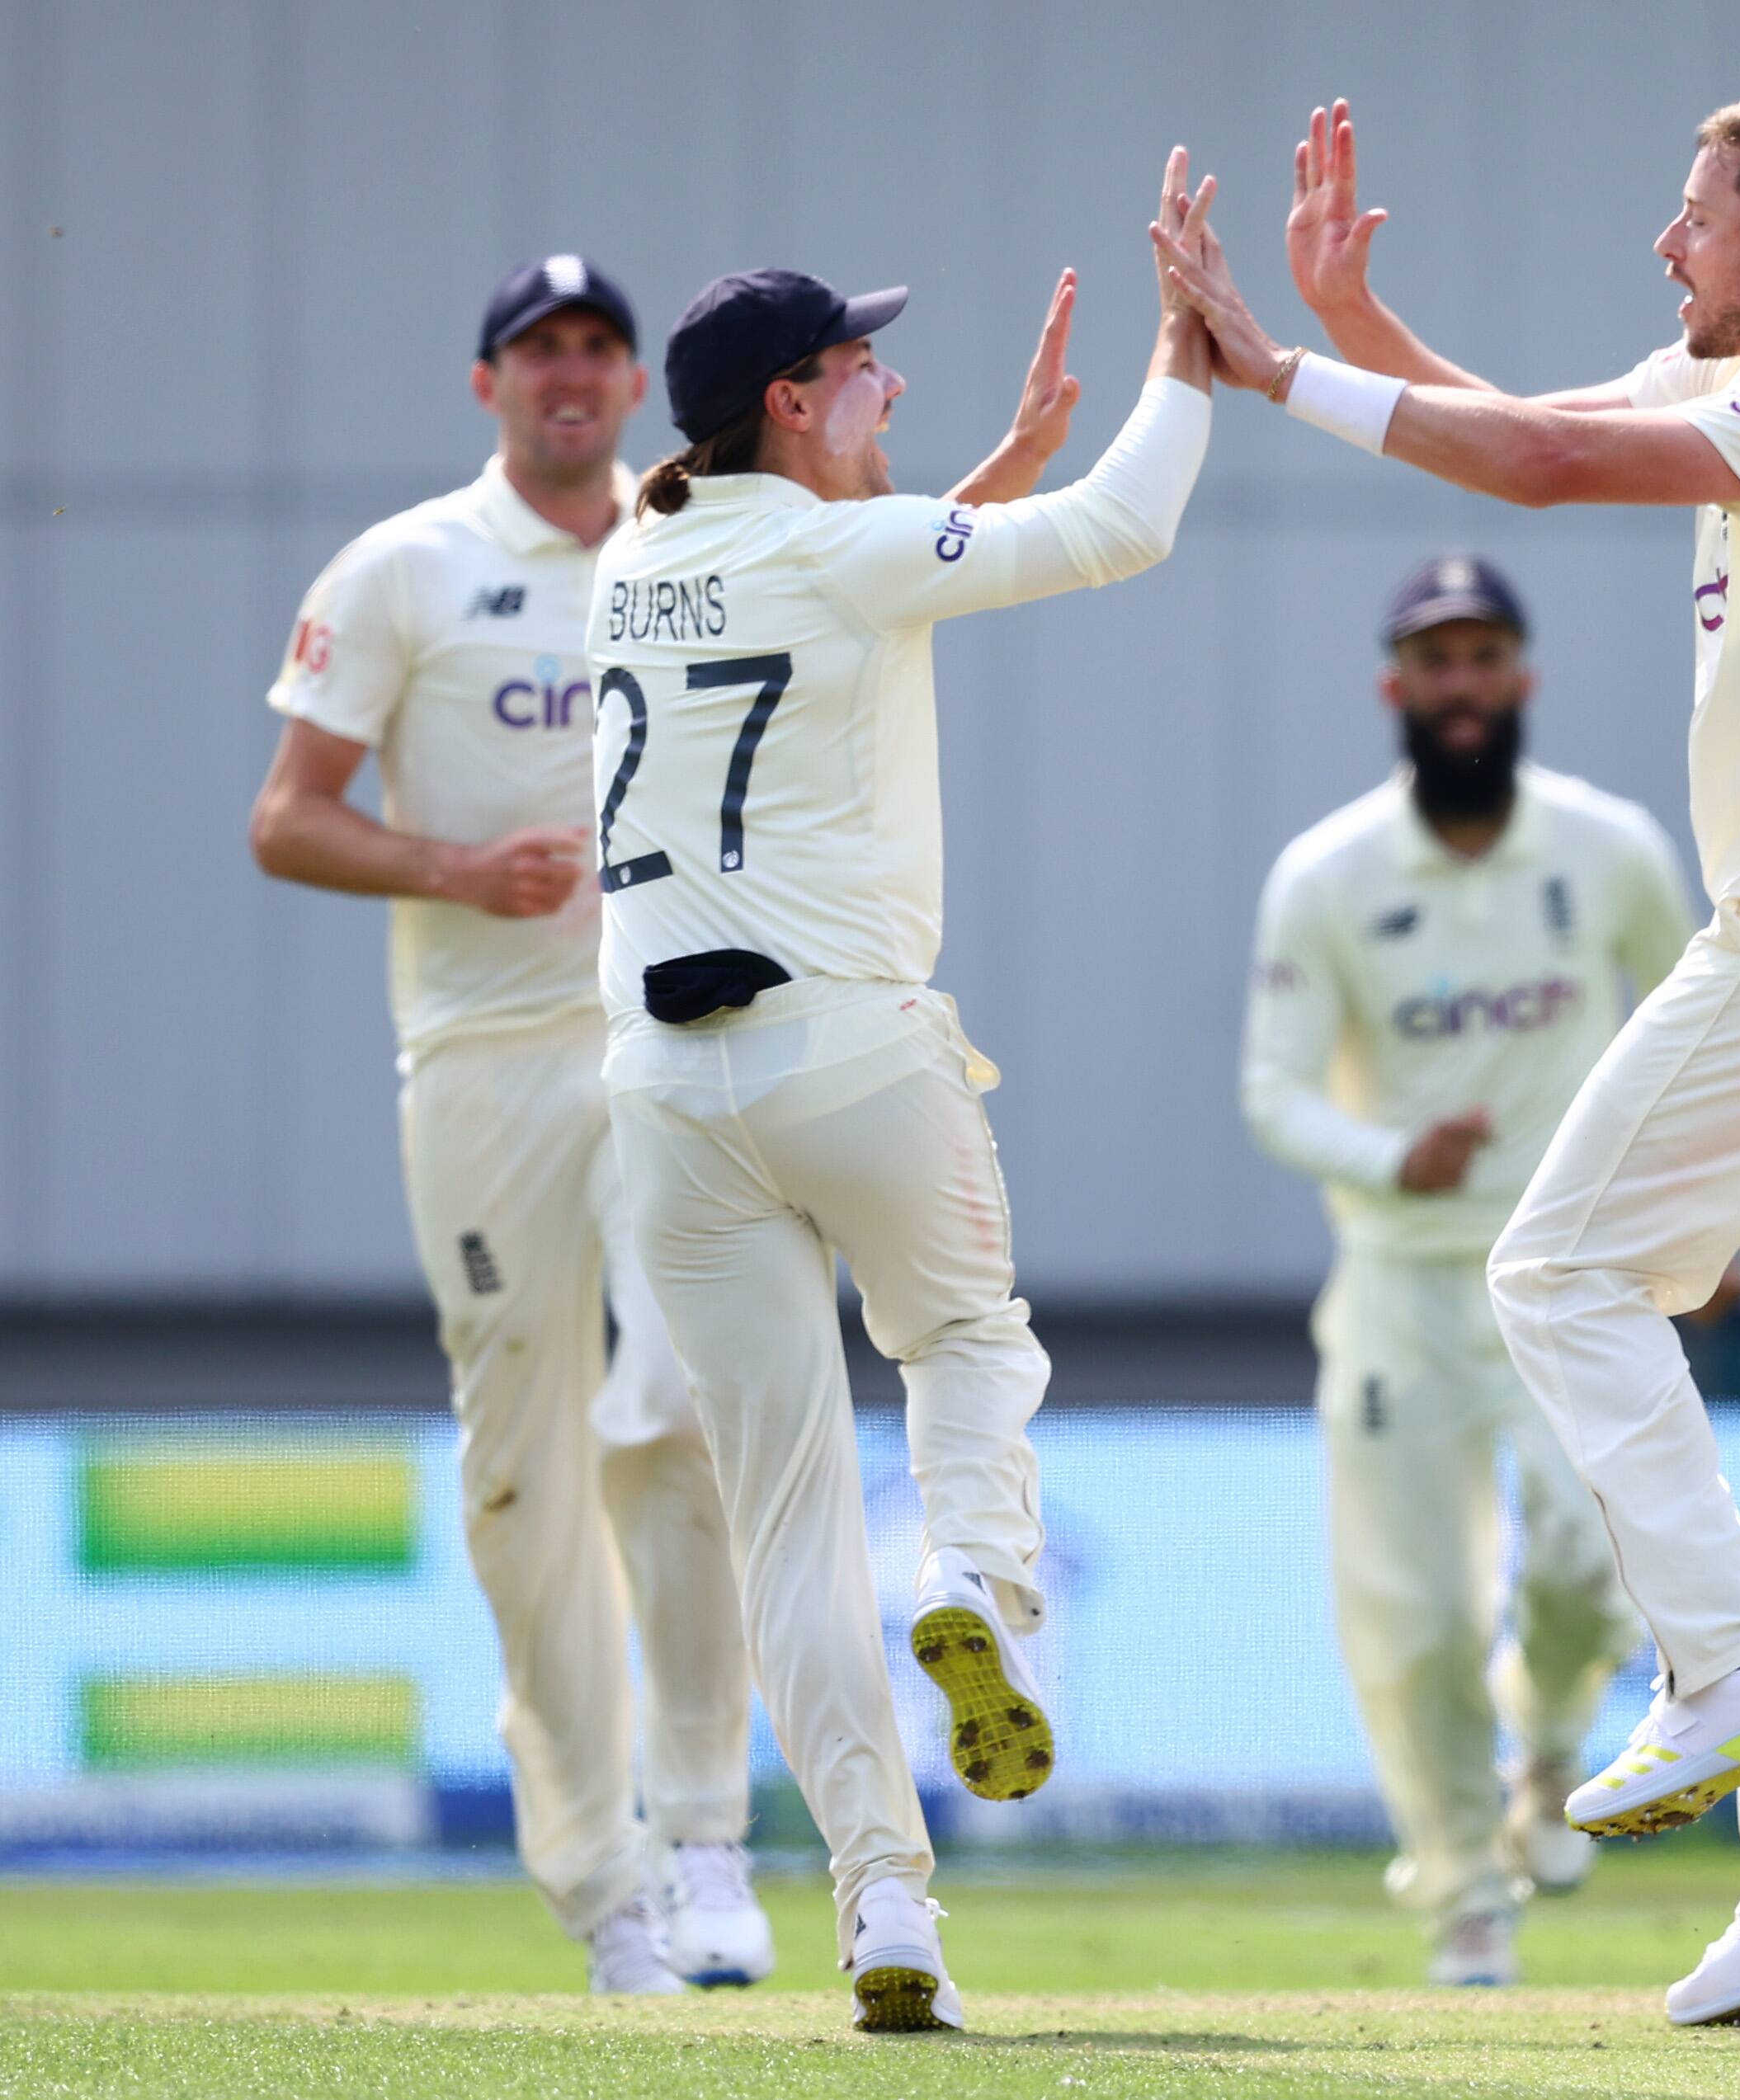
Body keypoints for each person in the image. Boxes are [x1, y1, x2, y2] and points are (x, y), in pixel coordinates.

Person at [1156, 97, 1740, 2027]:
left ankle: (1724, 1673)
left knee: (1550, 1268)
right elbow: (1525, 431)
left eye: (1697, 218)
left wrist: (1276, 366)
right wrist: (1353, 319)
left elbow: (1550, 470)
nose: (1669, 244)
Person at [587, 158, 1215, 2032]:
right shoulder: (828, 544)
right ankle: (983, 1588)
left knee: (782, 1519)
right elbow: (1124, 534)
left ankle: (883, 1907)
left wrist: (978, 473)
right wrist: (1195, 356)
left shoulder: (640, 549)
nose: (887, 385)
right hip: (849, 1052)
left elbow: (835, 589)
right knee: (962, 1338)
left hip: (661, 1098)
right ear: (789, 399)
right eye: (858, 367)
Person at [248, 257, 769, 1997]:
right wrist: (455, 869)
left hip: (658, 1037)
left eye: (598, 349)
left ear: (633, 384)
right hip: (477, 1063)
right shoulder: (408, 568)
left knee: (682, 1397)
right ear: (489, 383)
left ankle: (705, 1837)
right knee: (526, 1472)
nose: (571, 374)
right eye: (538, 349)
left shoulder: (686, 542)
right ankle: (600, 1884)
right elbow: (288, 819)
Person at [1242, 554, 1691, 1989]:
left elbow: (1695, 1032)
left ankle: (1549, 1745)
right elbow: (1272, 1090)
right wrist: (1386, 1156)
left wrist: (1706, 1221)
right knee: (1416, 1610)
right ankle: (1460, 1897)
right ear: (1395, 686)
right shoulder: (1327, 875)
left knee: (1586, 1563)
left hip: (1567, 1277)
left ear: (1521, 678)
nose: (1459, 684)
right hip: (1399, 1281)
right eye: (1434, 660)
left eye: (1482, 654)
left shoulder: (1607, 850)